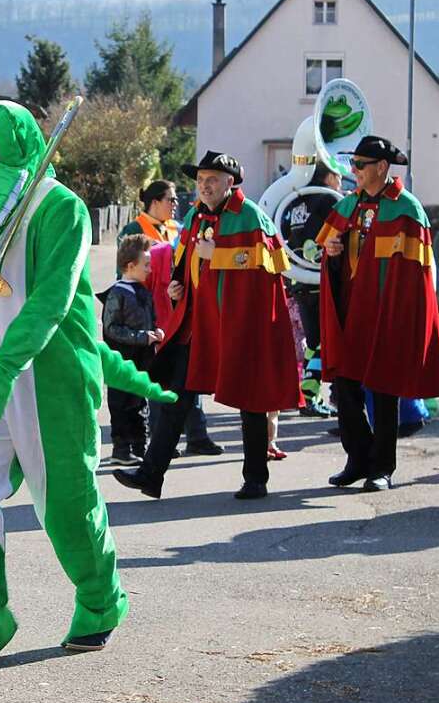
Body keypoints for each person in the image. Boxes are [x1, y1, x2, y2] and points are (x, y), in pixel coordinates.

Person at [0, 101, 174, 662]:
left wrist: (3, 368)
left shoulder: (62, 208)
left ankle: (100, 597)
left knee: (65, 501)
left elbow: (48, 303)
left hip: (52, 375)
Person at [114, 151, 302, 501]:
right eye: (200, 181)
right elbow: (186, 262)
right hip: (198, 325)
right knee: (176, 397)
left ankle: (256, 478)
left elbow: (271, 269)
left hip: (240, 325)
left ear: (230, 182)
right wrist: (176, 286)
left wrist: (218, 255)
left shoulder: (252, 217)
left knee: (252, 399)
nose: (204, 186)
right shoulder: (195, 216)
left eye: (212, 180)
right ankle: (151, 475)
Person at [317, 135, 439, 492]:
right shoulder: (346, 206)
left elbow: (417, 277)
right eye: (352, 164)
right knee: (345, 386)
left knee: (384, 389)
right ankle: (358, 458)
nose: (352, 171)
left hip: (387, 311)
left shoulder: (407, 209)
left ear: (381, 168)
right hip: (349, 309)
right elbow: (326, 254)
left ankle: (382, 467)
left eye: (359, 165)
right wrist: (333, 252)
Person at [147, 241, 223, 458]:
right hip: (162, 330)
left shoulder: (187, 245)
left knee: (190, 385)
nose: (173, 205)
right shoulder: (159, 252)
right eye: (169, 202)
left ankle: (196, 438)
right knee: (162, 388)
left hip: (184, 328)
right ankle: (161, 444)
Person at [280, 160, 343, 417]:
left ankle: (310, 393)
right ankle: (311, 395)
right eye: (338, 176)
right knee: (322, 341)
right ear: (328, 177)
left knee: (313, 343)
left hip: (300, 281)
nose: (341, 181)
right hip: (321, 281)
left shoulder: (296, 202)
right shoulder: (329, 200)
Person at [98, 234, 163, 465]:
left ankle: (140, 447)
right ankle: (122, 449)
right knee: (121, 405)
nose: (150, 269)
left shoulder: (143, 291)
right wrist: (141, 337)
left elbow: (151, 320)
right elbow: (111, 328)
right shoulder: (118, 293)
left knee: (140, 404)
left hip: (141, 363)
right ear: (130, 266)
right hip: (122, 362)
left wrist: (157, 332)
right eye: (146, 264)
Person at [116, 180, 179, 277]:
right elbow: (125, 273)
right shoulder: (133, 230)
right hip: (145, 290)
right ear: (155, 202)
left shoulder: (176, 228)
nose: (175, 204)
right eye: (171, 200)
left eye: (176, 200)